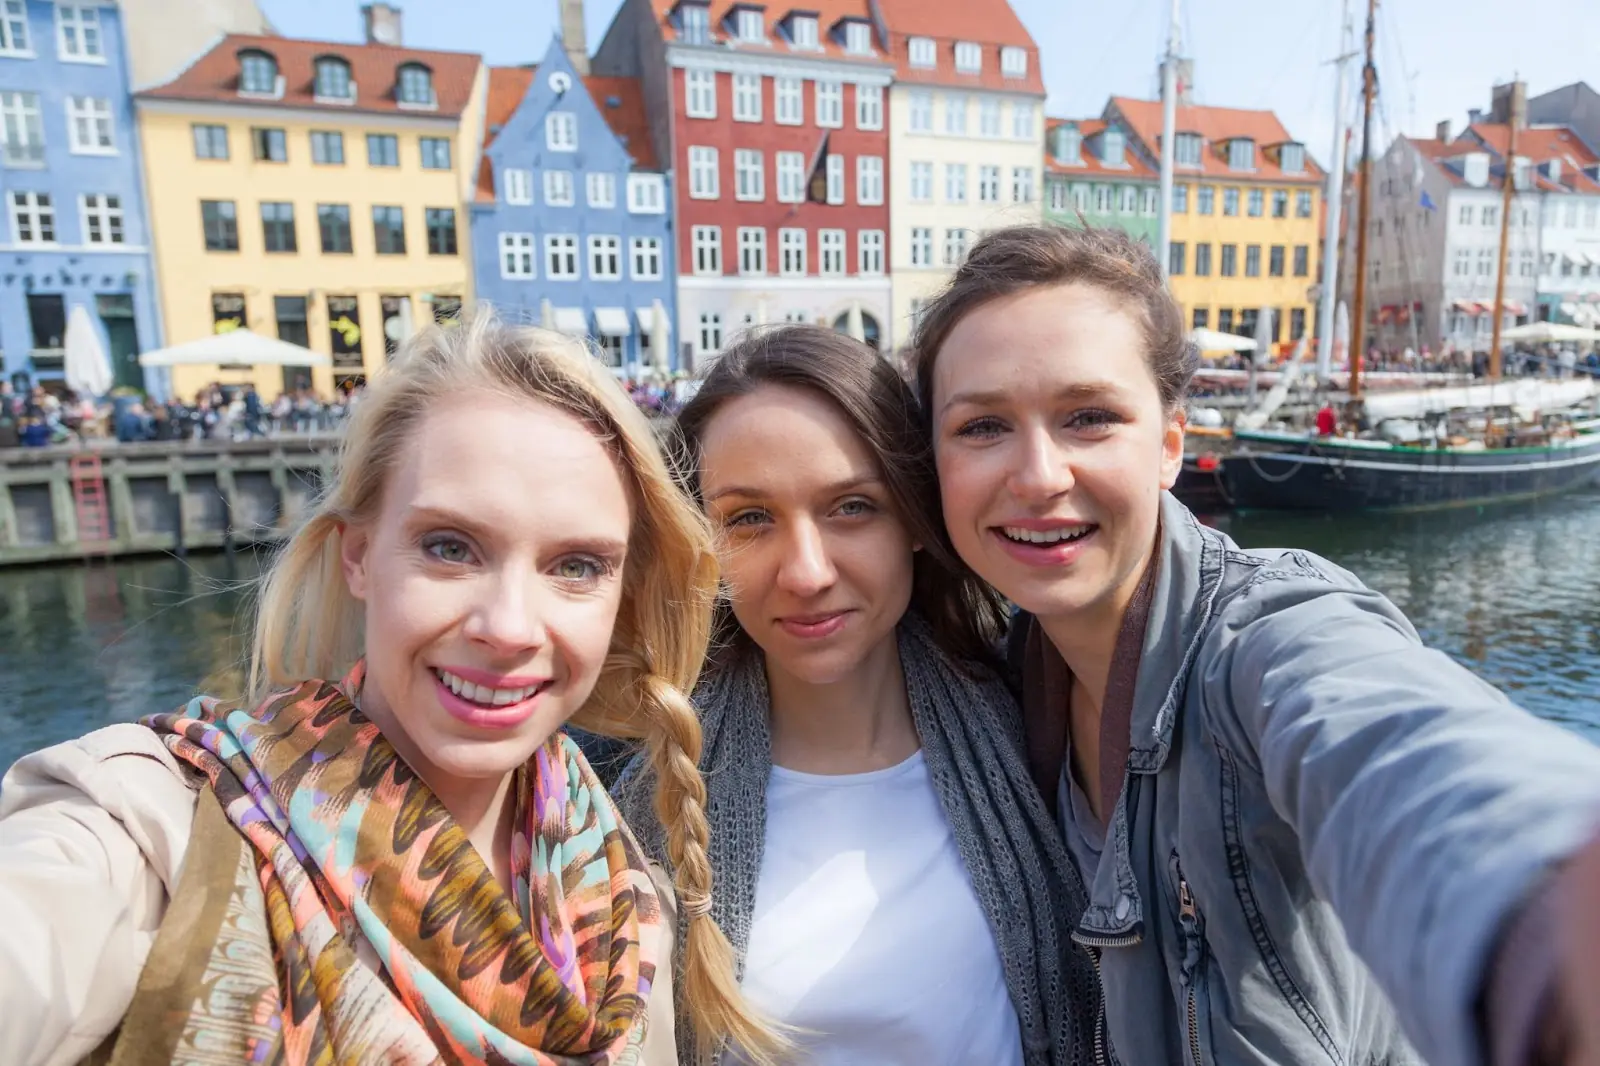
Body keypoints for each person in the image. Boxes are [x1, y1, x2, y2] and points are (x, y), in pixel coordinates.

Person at [0, 317, 781, 1066]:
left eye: (576, 565)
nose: (509, 626)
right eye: (451, 547)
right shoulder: (159, 841)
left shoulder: (617, 886)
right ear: (360, 556)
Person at [908, 224, 1600, 1066]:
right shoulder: (1007, 679)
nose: (1039, 474)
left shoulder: (1261, 640)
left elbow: (1394, 747)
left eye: (1089, 417)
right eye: (983, 426)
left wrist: (1543, 930)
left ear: (1169, 444)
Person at [617, 326, 1097, 1066]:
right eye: (749, 519)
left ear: (912, 516)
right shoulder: (628, 788)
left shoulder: (1047, 723)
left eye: (851, 507)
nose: (807, 572)